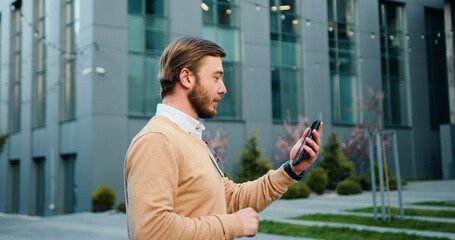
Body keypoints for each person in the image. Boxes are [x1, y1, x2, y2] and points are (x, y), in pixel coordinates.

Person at [124, 36, 322, 240]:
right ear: (187, 78)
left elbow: (230, 199)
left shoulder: (190, 137)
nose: (223, 88)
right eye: (216, 78)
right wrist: (234, 224)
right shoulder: (157, 140)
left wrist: (291, 169)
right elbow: (151, 231)